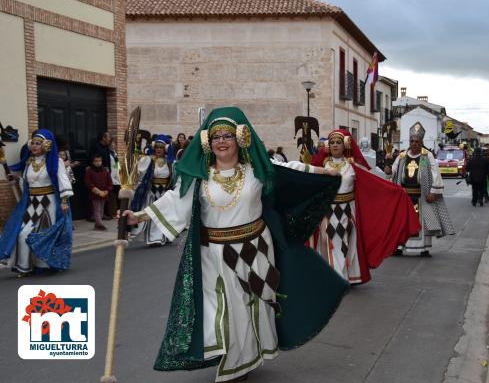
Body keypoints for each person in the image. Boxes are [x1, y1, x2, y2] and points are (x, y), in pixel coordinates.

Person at [121, 107, 348, 382]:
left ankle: (243, 359)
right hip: (213, 254)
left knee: (248, 305)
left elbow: (289, 170)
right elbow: (174, 201)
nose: (222, 141)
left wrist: (321, 171)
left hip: (255, 249)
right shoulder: (199, 177)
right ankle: (233, 361)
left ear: (239, 138)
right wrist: (138, 216)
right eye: (216, 137)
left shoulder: (255, 171)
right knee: (222, 307)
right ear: (207, 142)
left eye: (228, 135)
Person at [310, 129, 420, 282]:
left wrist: (395, 192)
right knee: (328, 243)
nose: (335, 145)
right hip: (327, 212)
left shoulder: (352, 167)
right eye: (332, 142)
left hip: (348, 212)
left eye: (339, 142)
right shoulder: (320, 167)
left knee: (345, 243)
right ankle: (332, 278)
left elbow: (373, 184)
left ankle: (344, 276)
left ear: (345, 145)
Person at [0, 130, 73, 276]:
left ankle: (44, 265)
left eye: (38, 143)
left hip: (48, 202)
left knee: (42, 235)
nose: (34, 146)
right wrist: (16, 179)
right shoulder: (29, 162)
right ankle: (24, 267)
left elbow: (63, 181)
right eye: (33, 143)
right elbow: (28, 183)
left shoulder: (55, 161)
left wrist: (64, 201)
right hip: (32, 203)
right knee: (23, 233)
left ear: (46, 145)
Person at [388, 122, 455, 256]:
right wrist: (389, 170)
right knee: (402, 222)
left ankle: (423, 248)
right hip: (404, 196)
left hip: (422, 195)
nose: (414, 143)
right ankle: (400, 247)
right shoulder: (402, 156)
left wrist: (433, 192)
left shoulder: (427, 156)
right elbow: (393, 172)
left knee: (423, 222)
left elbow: (435, 172)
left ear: (421, 142)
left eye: (417, 141)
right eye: (412, 141)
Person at [130, 135, 175, 247]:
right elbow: (138, 173)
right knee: (154, 215)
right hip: (152, 193)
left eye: (161, 147)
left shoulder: (170, 163)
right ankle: (155, 239)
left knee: (165, 215)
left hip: (165, 193)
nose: (159, 149)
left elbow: (175, 177)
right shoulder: (148, 160)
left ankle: (165, 237)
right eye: (157, 147)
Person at [84, 154, 112, 231]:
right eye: (96, 161)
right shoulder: (90, 171)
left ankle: (97, 224)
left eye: (99, 161)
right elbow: (88, 182)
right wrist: (96, 190)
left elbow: (109, 182)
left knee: (102, 208)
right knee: (97, 209)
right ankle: (99, 224)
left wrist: (107, 190)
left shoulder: (105, 171)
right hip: (95, 193)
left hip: (104, 192)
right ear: (92, 162)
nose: (98, 163)